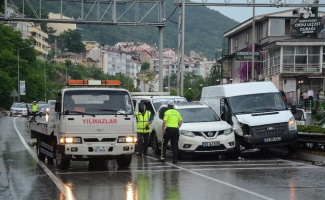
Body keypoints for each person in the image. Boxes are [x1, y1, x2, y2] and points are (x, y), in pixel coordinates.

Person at [159, 100, 183, 164]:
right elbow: (181, 121)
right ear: (173, 105)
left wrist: (163, 129)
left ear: (168, 105)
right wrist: (178, 127)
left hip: (169, 129)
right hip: (176, 130)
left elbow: (164, 121)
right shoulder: (177, 112)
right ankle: (175, 160)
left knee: (164, 144)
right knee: (174, 145)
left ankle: (163, 158)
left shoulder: (167, 112)